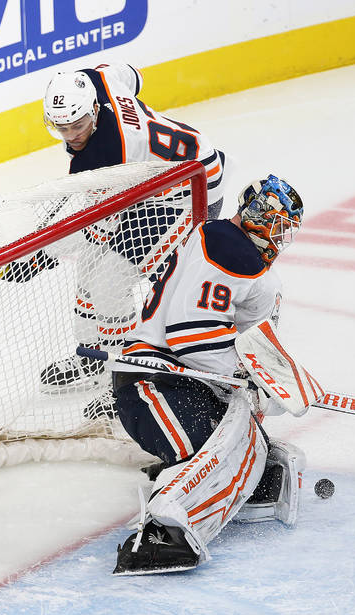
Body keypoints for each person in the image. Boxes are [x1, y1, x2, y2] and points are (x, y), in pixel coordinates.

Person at [108, 175, 304, 575]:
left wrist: (256, 375)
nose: (280, 239)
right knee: (214, 454)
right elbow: (191, 337)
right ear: (258, 216)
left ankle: (191, 478)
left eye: (288, 231)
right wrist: (246, 377)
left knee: (243, 446)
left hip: (181, 381)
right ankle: (161, 534)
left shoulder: (229, 247)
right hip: (150, 384)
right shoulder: (230, 248)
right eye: (278, 225)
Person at [37, 63, 228, 393]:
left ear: (95, 109)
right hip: (155, 178)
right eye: (61, 127)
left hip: (188, 189)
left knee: (111, 277)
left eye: (79, 125)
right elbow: (131, 75)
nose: (71, 135)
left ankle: (120, 377)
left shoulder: (110, 155)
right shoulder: (95, 80)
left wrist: (39, 256)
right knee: (90, 266)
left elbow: (94, 229)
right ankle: (93, 359)